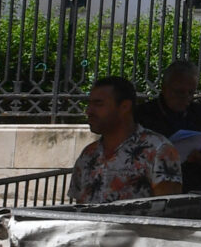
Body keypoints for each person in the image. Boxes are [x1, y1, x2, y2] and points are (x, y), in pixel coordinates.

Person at [72, 76, 183, 205]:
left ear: (124, 106)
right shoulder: (88, 154)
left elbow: (169, 209)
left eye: (98, 104)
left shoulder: (159, 150)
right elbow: (79, 205)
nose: (88, 111)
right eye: (89, 104)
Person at [137, 59, 201, 193]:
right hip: (151, 189)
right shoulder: (143, 115)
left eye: (191, 93)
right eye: (179, 92)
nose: (186, 97)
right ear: (164, 88)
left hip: (192, 189)